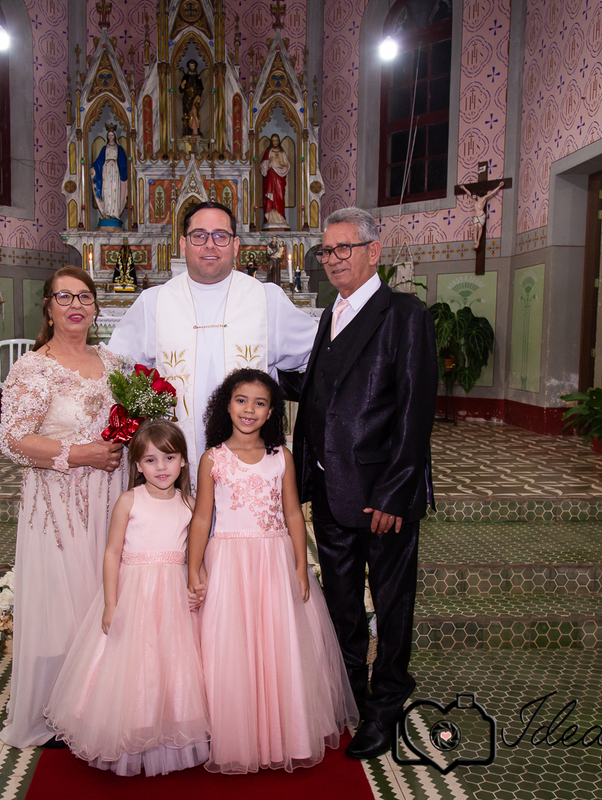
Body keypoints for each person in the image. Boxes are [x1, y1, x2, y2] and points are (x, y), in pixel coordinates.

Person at [292, 206, 438, 759]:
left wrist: (396, 492)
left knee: (393, 603)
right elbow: (323, 388)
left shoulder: (405, 315)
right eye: (326, 251)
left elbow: (414, 411)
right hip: (330, 489)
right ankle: (350, 695)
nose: (333, 260)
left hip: (383, 496)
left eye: (343, 248)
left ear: (374, 252)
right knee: (343, 602)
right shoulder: (330, 314)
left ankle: (387, 703)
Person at [188, 369, 357, 773]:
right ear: (227, 405)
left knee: (278, 643)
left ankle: (285, 731)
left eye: (260, 403)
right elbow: (201, 518)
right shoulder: (213, 459)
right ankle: (237, 732)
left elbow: (293, 513)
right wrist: (193, 568)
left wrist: (300, 565)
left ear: (271, 413)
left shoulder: (281, 457)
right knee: (232, 645)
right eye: (241, 400)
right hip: (228, 562)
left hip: (274, 561)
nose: (249, 409)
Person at [0, 265, 128, 748]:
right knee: (65, 603)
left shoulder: (115, 363)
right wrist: (80, 454)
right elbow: (12, 440)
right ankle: (56, 709)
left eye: (84, 297)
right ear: (48, 308)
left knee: (104, 597)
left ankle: (101, 705)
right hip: (59, 504)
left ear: (95, 308)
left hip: (111, 499)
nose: (76, 305)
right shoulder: (33, 368)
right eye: (64, 297)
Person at [46, 420, 209, 776]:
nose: (161, 467)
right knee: (134, 661)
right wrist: (111, 603)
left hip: (172, 599)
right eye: (151, 460)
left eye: (169, 457)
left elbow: (198, 554)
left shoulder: (189, 504)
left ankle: (167, 728)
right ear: (137, 465)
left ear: (183, 460)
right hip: (134, 595)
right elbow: (112, 553)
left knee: (171, 662)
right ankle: (130, 726)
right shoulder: (129, 501)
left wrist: (197, 585)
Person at [107, 201, 317, 479]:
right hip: (172, 469)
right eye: (199, 235)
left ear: (236, 245)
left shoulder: (267, 300)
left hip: (251, 467)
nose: (210, 244)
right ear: (183, 244)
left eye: (220, 236)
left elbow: (319, 357)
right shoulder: (154, 302)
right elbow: (114, 369)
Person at [91, 125, 128, 226]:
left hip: (115, 171)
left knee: (115, 190)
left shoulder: (119, 148)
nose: (111, 137)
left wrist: (126, 171)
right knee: (106, 190)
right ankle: (106, 213)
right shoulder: (105, 148)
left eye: (112, 135)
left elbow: (123, 162)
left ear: (115, 136)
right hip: (106, 171)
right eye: (109, 135)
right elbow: (99, 161)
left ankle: (115, 214)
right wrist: (94, 168)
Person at [259, 134, 290, 228]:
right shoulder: (268, 152)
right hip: (271, 178)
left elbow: (287, 165)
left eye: (276, 140)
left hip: (280, 179)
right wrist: (268, 162)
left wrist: (283, 164)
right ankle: (271, 219)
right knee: (271, 198)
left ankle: (280, 218)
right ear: (271, 142)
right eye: (273, 141)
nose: (275, 142)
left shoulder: (282, 152)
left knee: (280, 197)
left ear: (279, 141)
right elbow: (263, 167)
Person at [180, 60, 204, 136]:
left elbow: (200, 88)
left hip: (195, 98)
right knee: (187, 114)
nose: (192, 67)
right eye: (190, 66)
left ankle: (195, 129)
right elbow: (181, 90)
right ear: (188, 67)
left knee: (195, 112)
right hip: (187, 99)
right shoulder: (185, 77)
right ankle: (188, 129)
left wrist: (198, 96)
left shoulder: (197, 77)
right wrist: (182, 85)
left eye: (193, 66)